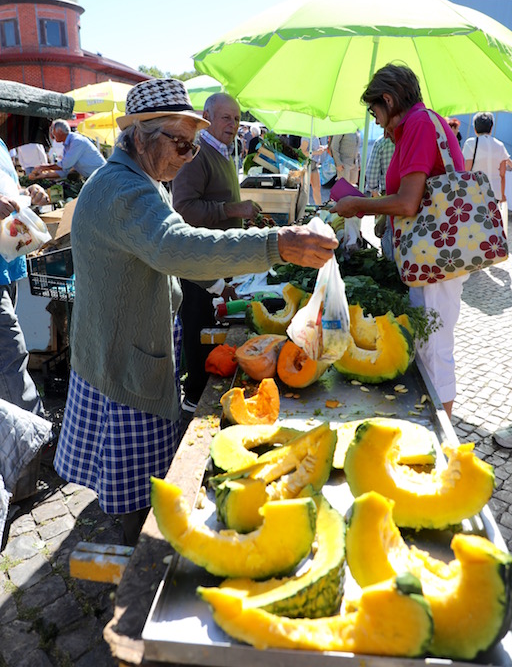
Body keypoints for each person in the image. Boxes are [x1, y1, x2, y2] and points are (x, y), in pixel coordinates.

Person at [53, 78, 337, 545]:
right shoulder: (125, 189)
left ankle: (139, 540)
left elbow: (159, 255)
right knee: (137, 490)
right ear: (140, 135)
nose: (188, 157)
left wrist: (218, 284)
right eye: (181, 145)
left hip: (124, 346)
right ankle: (139, 564)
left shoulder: (143, 179)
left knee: (139, 476)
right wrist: (276, 244)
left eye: (192, 146)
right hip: (123, 360)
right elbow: (173, 246)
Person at [330, 63, 466, 418]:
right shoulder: (412, 127)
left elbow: (407, 202)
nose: (376, 121)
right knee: (428, 344)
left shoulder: (420, 124)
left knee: (435, 349)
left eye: (376, 112)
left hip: (438, 256)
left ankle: (444, 436)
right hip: (433, 254)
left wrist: (358, 204)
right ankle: (435, 424)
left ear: (388, 99)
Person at [172, 92, 262, 411]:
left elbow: (218, 203)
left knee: (217, 325)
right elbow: (183, 208)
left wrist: (238, 219)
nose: (234, 124)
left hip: (220, 262)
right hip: (199, 267)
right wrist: (230, 209)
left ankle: (210, 389)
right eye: (226, 118)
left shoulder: (224, 152)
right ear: (207, 117)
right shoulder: (197, 154)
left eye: (237, 119)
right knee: (200, 329)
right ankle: (194, 398)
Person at [0, 137, 50, 418]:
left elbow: (11, 188)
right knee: (11, 355)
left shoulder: (1, 145)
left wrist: (29, 191)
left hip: (9, 265)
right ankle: (35, 439)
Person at [30, 120, 106, 181]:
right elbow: (64, 171)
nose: (52, 134)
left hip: (102, 176)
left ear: (59, 131)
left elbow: (65, 165)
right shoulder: (67, 144)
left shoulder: (77, 141)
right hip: (94, 177)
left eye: (53, 131)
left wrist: (44, 167)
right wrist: (44, 175)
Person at [462, 112, 512, 203]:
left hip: (475, 190)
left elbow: (466, 169)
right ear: (491, 128)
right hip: (494, 194)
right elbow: (502, 174)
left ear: (475, 128)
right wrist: (502, 194)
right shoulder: (500, 145)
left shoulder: (471, 143)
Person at [364, 134, 395, 259]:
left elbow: (371, 175)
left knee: (388, 231)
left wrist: (376, 197)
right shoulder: (413, 140)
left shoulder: (381, 142)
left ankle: (389, 264)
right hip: (413, 193)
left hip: (387, 194)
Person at [300, 136, 325, 205]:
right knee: (305, 189)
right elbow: (303, 152)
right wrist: (317, 152)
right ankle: (304, 207)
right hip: (308, 164)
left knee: (317, 187)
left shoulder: (315, 136)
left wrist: (321, 148)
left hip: (314, 164)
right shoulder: (307, 137)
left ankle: (319, 208)